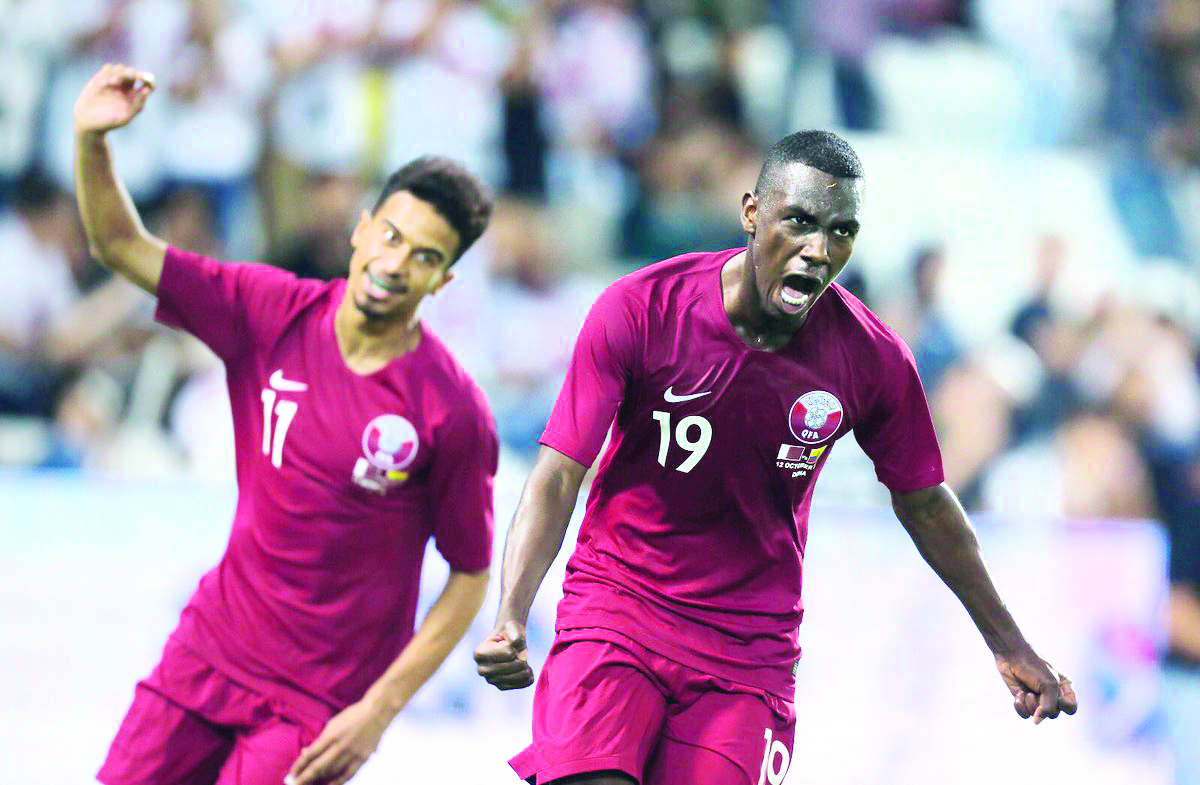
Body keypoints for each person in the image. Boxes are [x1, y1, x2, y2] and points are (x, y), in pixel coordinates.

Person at [475, 130, 1077, 785]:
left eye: (842, 231)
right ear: (752, 212)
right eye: (800, 222)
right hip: (618, 614)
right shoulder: (643, 308)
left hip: (745, 655)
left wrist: (1008, 642)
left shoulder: (872, 360)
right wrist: (511, 611)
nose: (819, 250)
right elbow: (559, 472)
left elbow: (927, 503)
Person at [75, 63, 498, 785]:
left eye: (425, 256)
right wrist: (91, 141)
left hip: (316, 704)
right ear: (363, 230)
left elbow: (469, 575)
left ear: (443, 279)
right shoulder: (268, 309)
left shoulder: (450, 412)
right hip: (208, 651)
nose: (396, 263)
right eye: (391, 236)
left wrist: (379, 708)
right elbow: (121, 246)